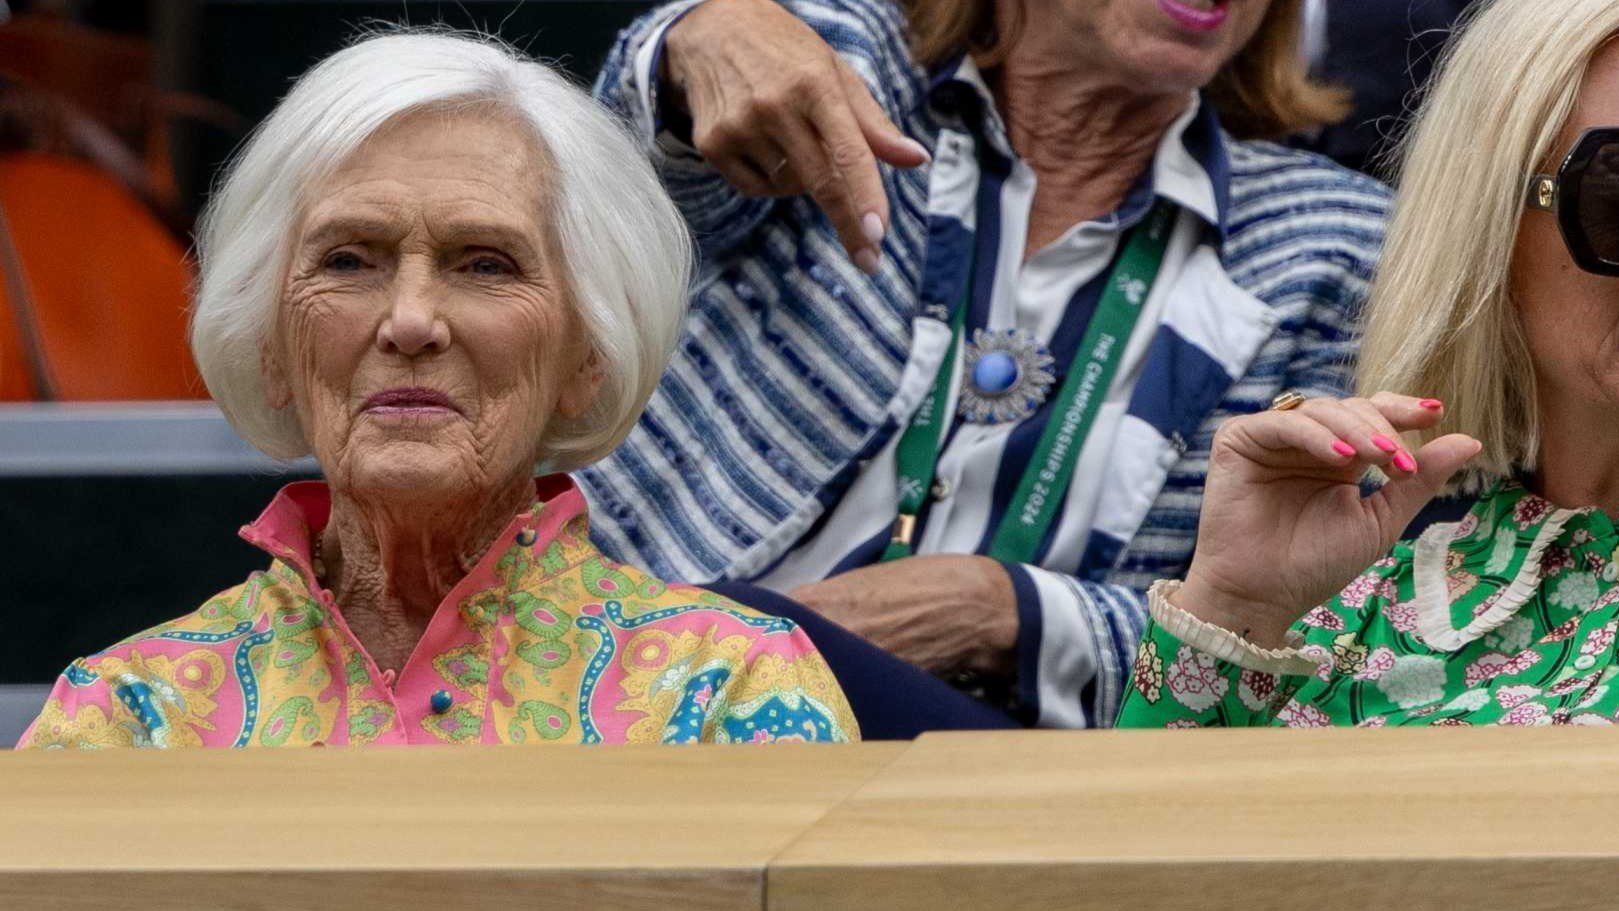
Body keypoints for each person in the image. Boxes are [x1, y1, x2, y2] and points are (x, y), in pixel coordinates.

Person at [19, 31, 856, 749]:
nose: (411, 319)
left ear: (587, 354)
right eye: (348, 260)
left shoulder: (726, 693)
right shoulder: (128, 716)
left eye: (484, 263)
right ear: (271, 345)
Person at [582, 0, 1392, 728]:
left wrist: (1004, 609)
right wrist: (694, 36)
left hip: (995, 769)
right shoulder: (850, 80)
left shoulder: (1332, 243)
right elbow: (593, 195)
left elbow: (1306, 642)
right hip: (628, 674)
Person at [1118, 0, 1619, 728]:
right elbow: (1141, 836)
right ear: (1487, 231)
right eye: (1616, 193)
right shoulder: (1355, 608)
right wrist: (1237, 608)